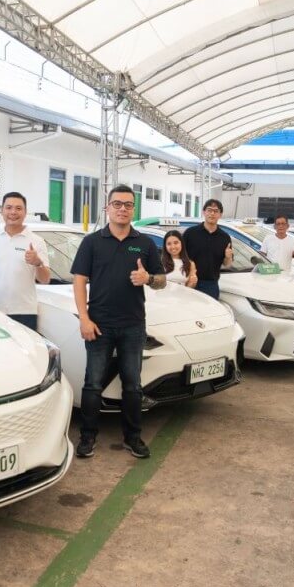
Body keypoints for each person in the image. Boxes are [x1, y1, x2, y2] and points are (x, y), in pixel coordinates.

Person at [71, 184, 166, 460]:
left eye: (127, 204)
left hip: (133, 326)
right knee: (92, 384)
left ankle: (132, 438)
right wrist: (84, 318)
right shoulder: (92, 242)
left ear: (133, 209)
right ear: (107, 207)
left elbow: (161, 281)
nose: (122, 209)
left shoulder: (145, 243)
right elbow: (79, 281)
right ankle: (87, 437)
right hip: (98, 324)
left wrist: (147, 279)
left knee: (133, 384)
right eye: (117, 204)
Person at [0, 192, 50, 331]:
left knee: (26, 352)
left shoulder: (37, 241)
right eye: (9, 207)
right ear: (2, 210)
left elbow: (45, 279)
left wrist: (37, 263)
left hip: (25, 312)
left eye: (18, 208)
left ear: (25, 212)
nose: (13, 212)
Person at [181, 199, 233, 299]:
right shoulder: (190, 233)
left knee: (212, 314)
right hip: (189, 281)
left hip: (211, 285)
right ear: (204, 212)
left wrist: (228, 257)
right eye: (209, 210)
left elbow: (227, 264)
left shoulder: (225, 237)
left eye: (216, 211)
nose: (212, 214)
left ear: (220, 214)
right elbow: (179, 256)